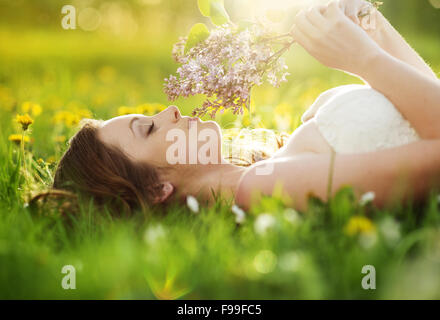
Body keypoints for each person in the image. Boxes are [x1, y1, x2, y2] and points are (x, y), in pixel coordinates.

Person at [38, 0, 440, 214]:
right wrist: (362, 59)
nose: (170, 112)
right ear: (158, 188)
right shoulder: (261, 189)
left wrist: (365, 18)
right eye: (148, 129)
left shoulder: (276, 162)